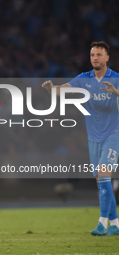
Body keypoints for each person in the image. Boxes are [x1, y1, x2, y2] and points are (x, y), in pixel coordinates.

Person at [42, 41, 119, 236]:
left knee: (103, 174)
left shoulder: (116, 79)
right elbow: (64, 89)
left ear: (107, 58)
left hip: (113, 135)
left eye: (99, 55)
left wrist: (116, 92)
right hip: (94, 137)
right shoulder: (84, 79)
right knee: (102, 181)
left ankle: (102, 223)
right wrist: (52, 88)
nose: (95, 58)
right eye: (93, 54)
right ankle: (116, 224)